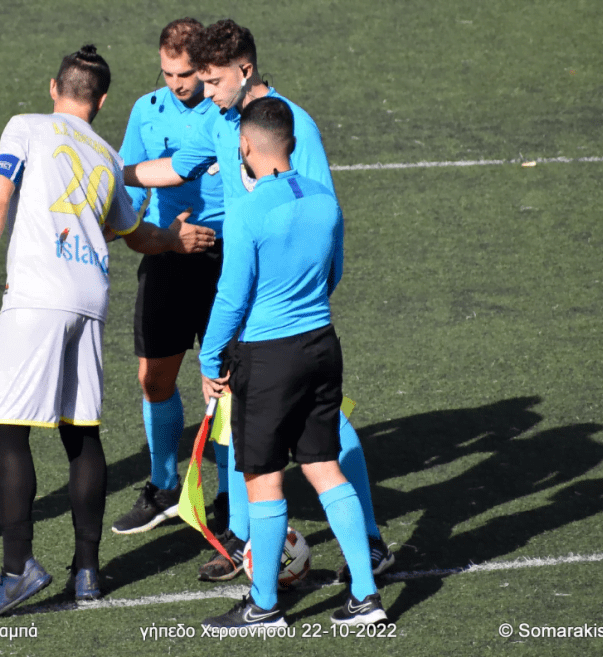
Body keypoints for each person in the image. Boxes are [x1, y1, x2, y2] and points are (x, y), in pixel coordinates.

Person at [124, 18, 394, 583]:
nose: (205, 92)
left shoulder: (292, 126)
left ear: (245, 70)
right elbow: (175, 168)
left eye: (214, 80)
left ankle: (369, 541)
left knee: (326, 428)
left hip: (288, 306)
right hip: (242, 291)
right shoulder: (221, 119)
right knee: (242, 419)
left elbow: (325, 216)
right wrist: (107, 174)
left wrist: (311, 296)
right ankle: (243, 542)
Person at [0, 45, 215, 619]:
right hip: (89, 297)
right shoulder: (107, 153)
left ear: (54, 89)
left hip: (37, 296)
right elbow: (135, 234)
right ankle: (87, 573)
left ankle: (17, 569)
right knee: (81, 433)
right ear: (101, 102)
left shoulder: (26, 126)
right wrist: (173, 239)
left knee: (7, 431)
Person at [199, 97, 387, 629]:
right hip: (322, 345)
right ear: (293, 143)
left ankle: (263, 606)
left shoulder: (247, 210)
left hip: (268, 356)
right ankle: (366, 597)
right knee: (324, 466)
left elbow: (231, 297)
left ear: (245, 146)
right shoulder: (325, 199)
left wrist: (210, 358)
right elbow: (334, 273)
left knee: (263, 478)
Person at [111, 18, 230, 537]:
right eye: (167, 73)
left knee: (225, 384)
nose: (177, 84)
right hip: (166, 252)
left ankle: (229, 497)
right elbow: (131, 186)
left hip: (226, 261)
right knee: (153, 379)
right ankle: (163, 488)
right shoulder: (146, 109)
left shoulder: (226, 107)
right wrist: (127, 228)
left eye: (186, 74)